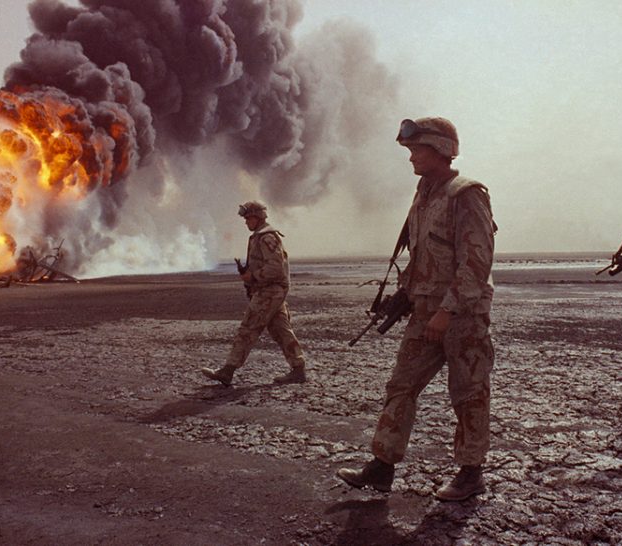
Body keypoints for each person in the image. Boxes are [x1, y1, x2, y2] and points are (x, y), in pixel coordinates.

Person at [337, 117, 496, 502]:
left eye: (416, 150)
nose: (410, 158)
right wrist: (404, 292)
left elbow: (476, 262)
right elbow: (423, 255)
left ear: (441, 150)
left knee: (468, 392)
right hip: (425, 312)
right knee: (401, 385)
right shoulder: (424, 193)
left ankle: (471, 472)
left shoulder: (467, 194)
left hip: (461, 317)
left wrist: (447, 311)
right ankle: (382, 465)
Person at [201, 201, 307, 386]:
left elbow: (275, 268)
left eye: (248, 218)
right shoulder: (261, 236)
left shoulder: (266, 237)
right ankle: (298, 370)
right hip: (272, 291)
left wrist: (252, 277)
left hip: (269, 291)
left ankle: (228, 370)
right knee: (281, 331)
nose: (245, 222)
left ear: (257, 218)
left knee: (248, 328)